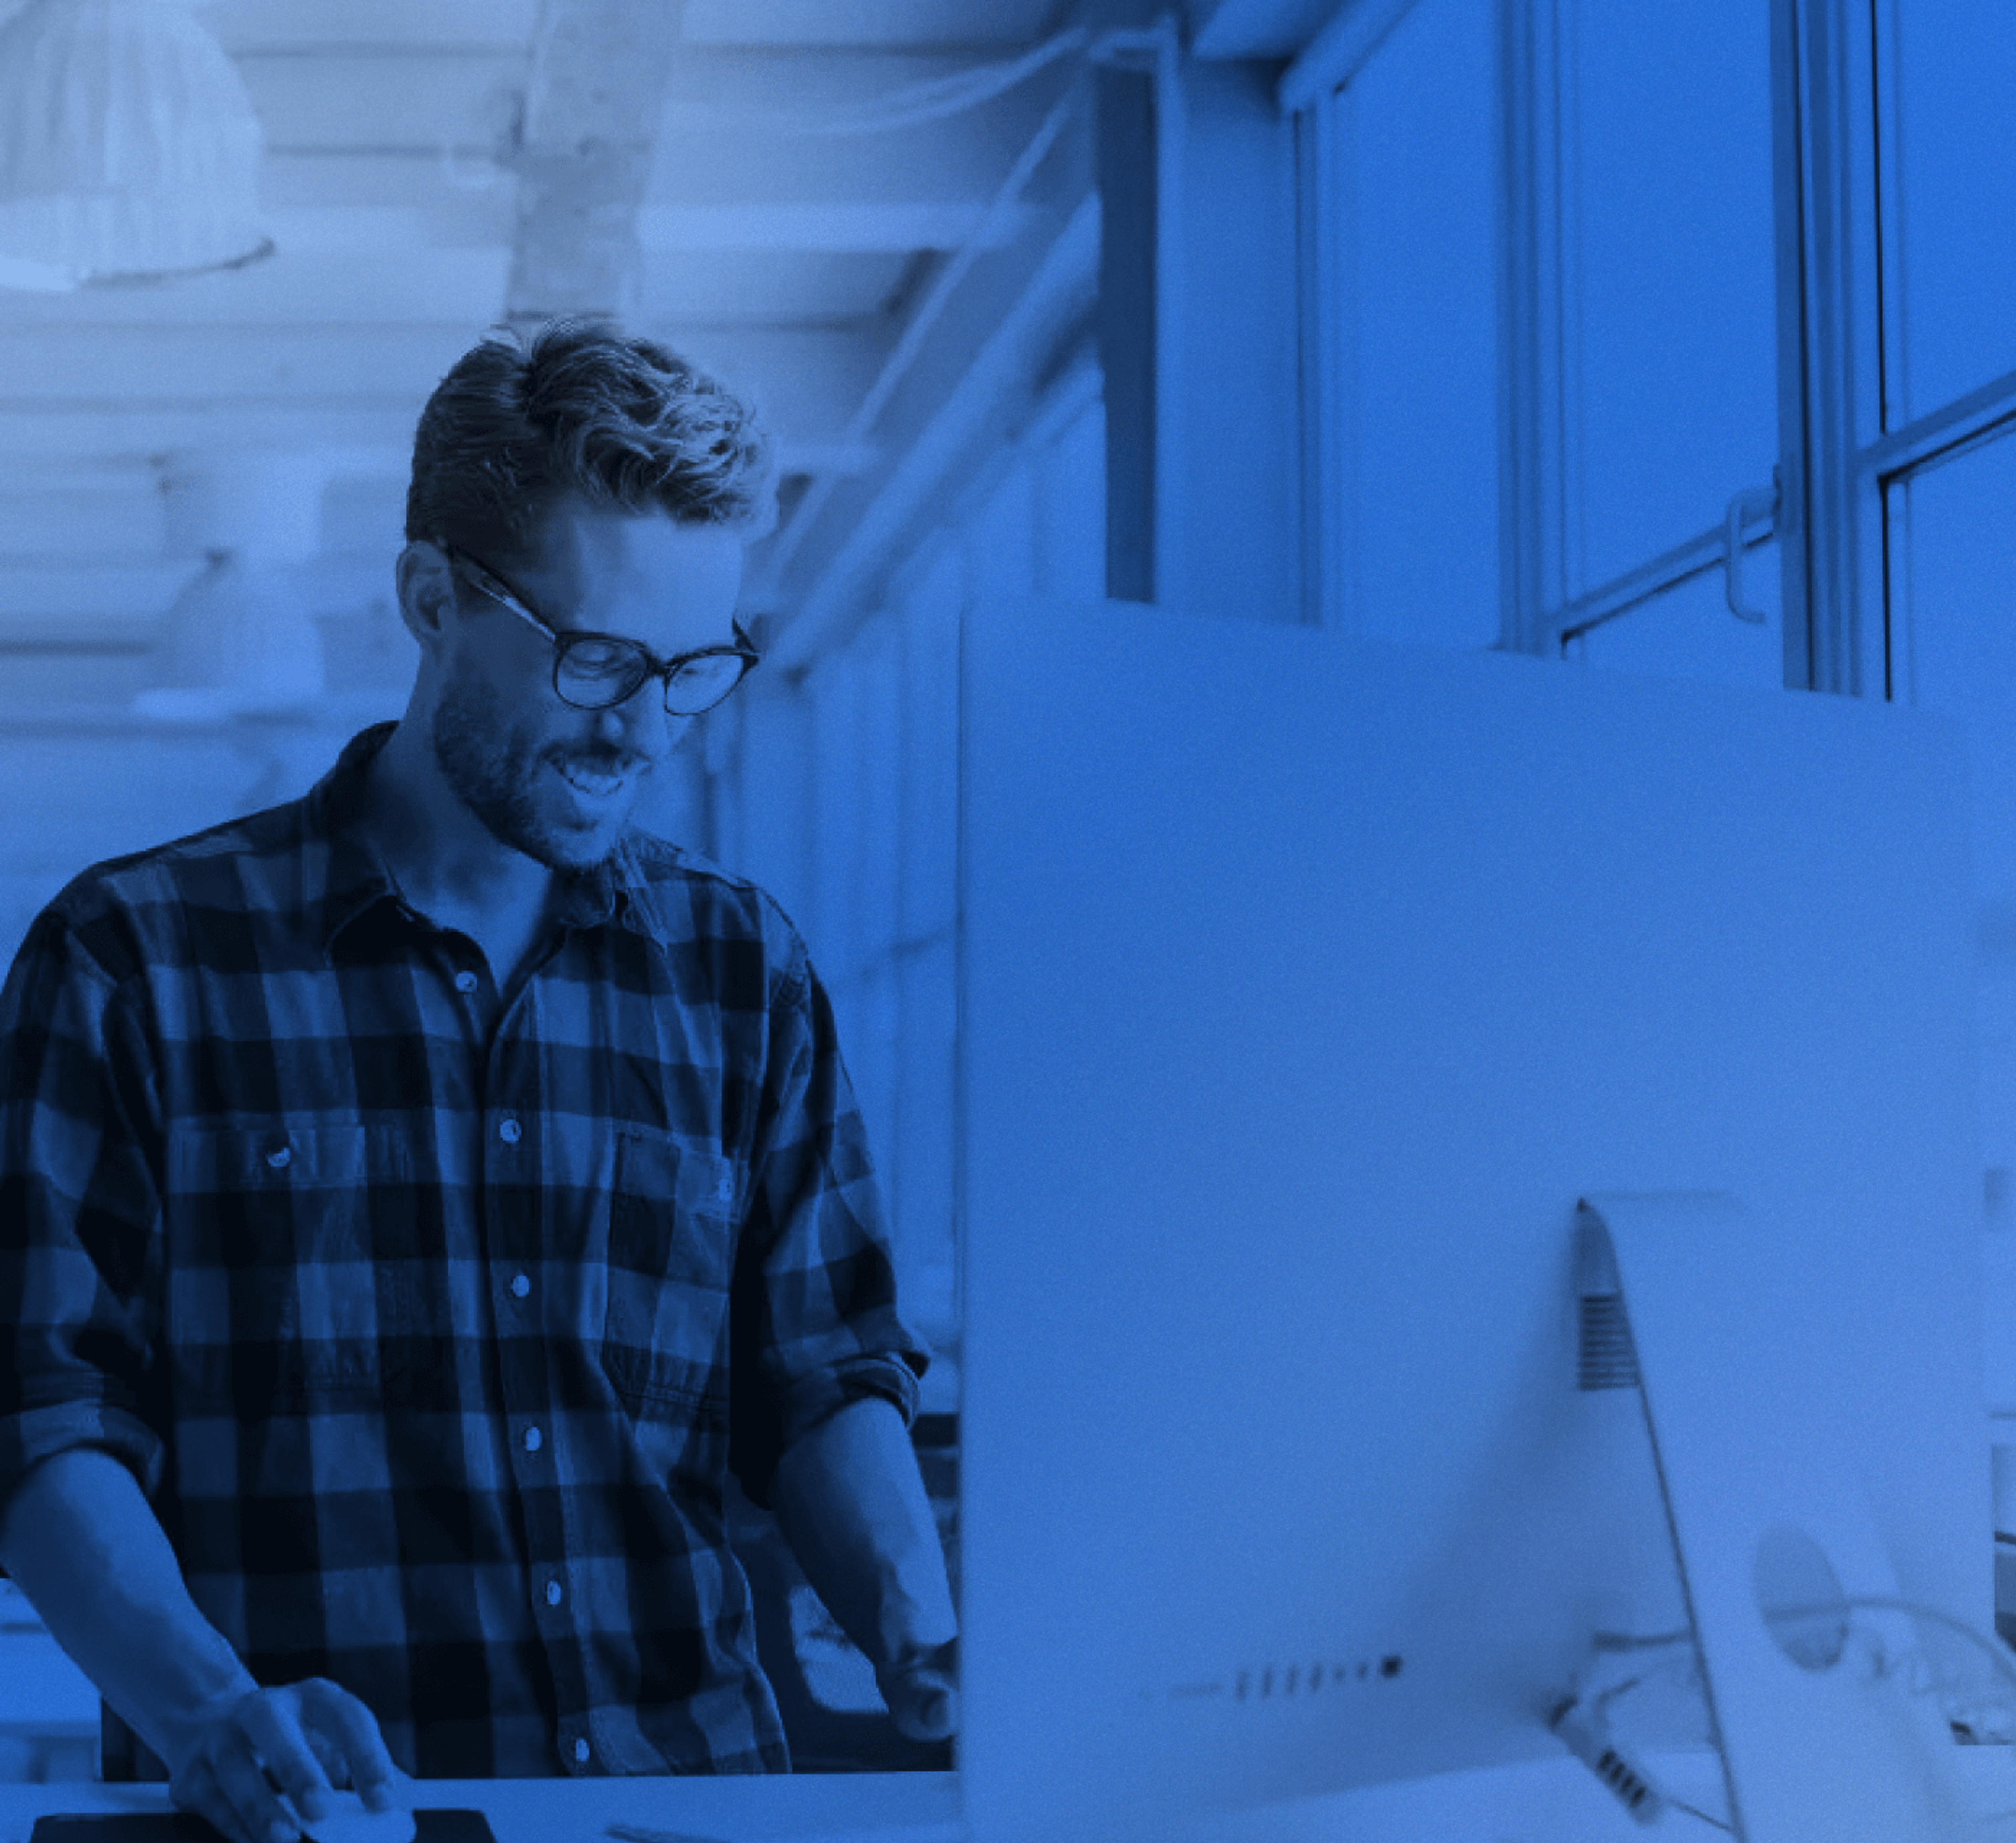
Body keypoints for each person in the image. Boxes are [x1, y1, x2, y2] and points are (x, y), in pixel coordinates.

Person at [0, 320, 957, 1840]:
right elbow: (45, 1418)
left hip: (687, 1807)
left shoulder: (742, 969)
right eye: (598, 660)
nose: (641, 728)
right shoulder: (133, 959)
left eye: (690, 671)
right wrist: (209, 1710)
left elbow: (826, 1373)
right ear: (432, 598)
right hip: (316, 1825)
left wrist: (922, 1628)